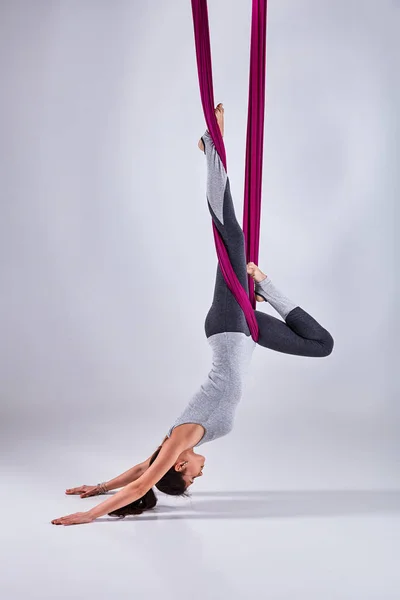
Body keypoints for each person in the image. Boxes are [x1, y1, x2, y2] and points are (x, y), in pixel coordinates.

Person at [52, 104, 333, 526]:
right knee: (321, 345)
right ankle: (263, 286)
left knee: (231, 237)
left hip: (227, 329)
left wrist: (91, 513)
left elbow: (142, 483)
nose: (201, 475)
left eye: (191, 480)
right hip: (247, 332)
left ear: (180, 466)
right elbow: (140, 471)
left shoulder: (183, 436)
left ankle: (210, 150)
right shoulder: (180, 441)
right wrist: (98, 486)